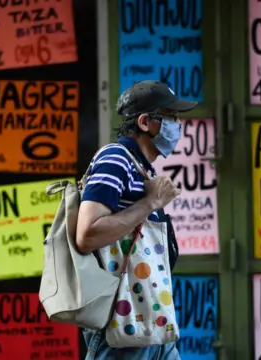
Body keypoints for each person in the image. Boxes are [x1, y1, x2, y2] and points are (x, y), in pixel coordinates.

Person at [76, 80, 197, 360]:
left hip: (152, 326)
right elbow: (87, 234)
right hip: (123, 331)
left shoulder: (139, 166)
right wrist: (152, 203)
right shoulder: (114, 159)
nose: (177, 125)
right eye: (170, 117)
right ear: (145, 122)